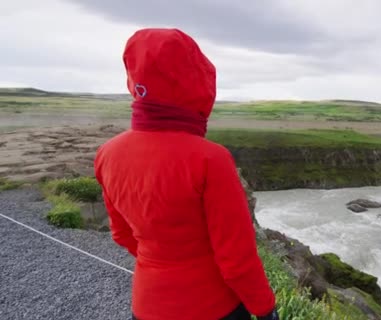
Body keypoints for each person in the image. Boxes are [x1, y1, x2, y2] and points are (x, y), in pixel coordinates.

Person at [94, 28, 278, 320]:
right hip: (213, 308)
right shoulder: (211, 159)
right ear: (196, 80)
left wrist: (161, 263)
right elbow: (236, 259)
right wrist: (265, 309)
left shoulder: (107, 154)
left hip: (147, 305)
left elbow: (121, 234)